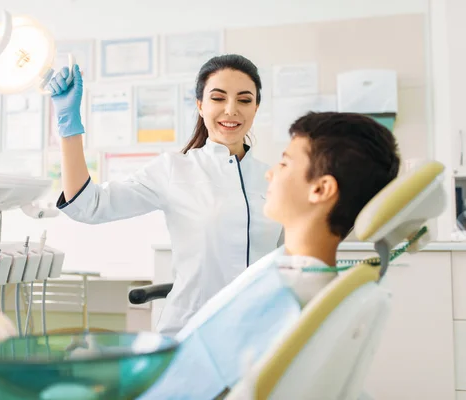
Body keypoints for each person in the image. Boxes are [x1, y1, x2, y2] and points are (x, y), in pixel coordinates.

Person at [138, 111, 401, 399]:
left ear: (321, 189)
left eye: (285, 162)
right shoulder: (303, 279)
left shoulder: (284, 295)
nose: (270, 173)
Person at [47, 54, 283, 335]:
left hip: (260, 330)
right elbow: (89, 205)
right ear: (200, 105)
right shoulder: (174, 169)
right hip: (192, 331)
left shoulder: (276, 179)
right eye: (218, 98)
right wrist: (68, 124)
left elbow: (290, 262)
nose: (231, 110)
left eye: (244, 100)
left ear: (256, 107)